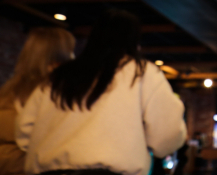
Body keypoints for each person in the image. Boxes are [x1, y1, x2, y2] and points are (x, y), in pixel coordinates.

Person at [16, 9, 187, 175]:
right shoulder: (141, 72)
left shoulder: (60, 76)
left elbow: (24, 130)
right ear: (135, 40)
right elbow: (167, 135)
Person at [0, 27, 76, 175]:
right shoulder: (49, 90)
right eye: (71, 50)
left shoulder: (8, 89)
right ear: (62, 55)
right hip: (23, 167)